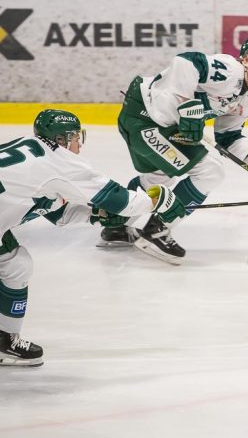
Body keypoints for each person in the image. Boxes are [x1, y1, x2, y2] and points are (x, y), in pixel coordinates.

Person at [0, 109, 185, 366]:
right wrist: (158, 199)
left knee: (16, 264)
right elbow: (124, 202)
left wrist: (96, 215)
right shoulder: (60, 161)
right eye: (76, 137)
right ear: (62, 139)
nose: (79, 143)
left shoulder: (30, 149)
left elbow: (56, 212)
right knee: (15, 264)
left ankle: (5, 340)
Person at [105, 35, 248, 264]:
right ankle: (157, 231)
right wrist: (186, 106)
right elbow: (185, 62)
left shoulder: (244, 102)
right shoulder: (230, 70)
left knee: (158, 178)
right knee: (211, 170)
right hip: (147, 118)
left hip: (155, 125)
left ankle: (115, 224)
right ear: (247, 58)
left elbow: (228, 140)